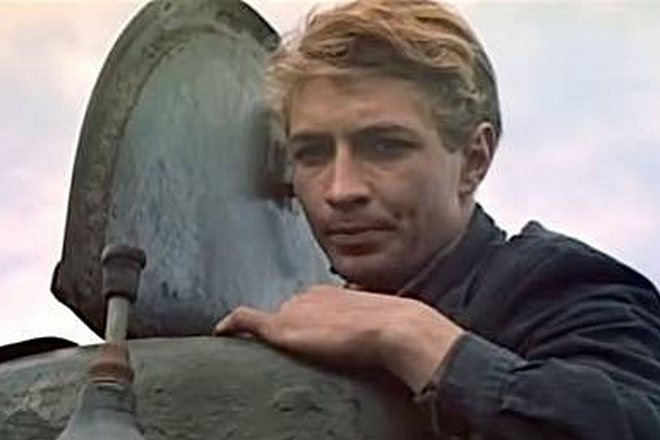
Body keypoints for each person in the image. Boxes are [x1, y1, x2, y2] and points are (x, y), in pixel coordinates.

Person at [214, 0, 660, 438]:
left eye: (385, 146)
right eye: (312, 153)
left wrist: (413, 337)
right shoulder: (308, 324)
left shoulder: (560, 286)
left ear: (474, 160)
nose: (341, 190)